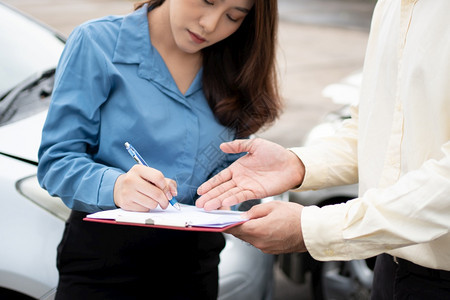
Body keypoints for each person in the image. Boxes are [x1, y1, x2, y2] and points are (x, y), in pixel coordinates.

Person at [196, 0, 450, 298]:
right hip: (390, 268)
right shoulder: (393, 5)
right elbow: (376, 126)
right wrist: (297, 163)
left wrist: (314, 228)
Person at [37, 0, 281, 299]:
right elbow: (56, 162)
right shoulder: (97, 43)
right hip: (103, 267)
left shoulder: (236, 63)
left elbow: (228, 166)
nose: (211, 24)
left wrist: (233, 194)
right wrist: (116, 187)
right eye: (207, 1)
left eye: (233, 16)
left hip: (195, 268)